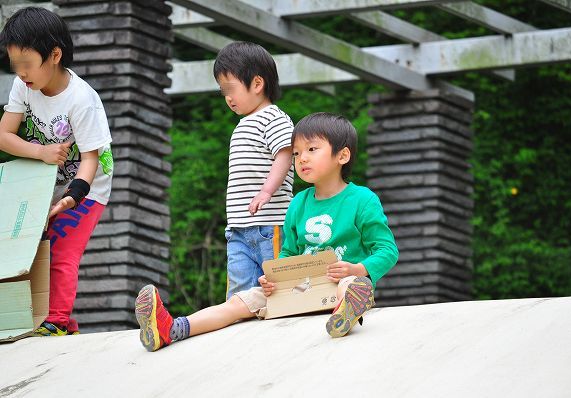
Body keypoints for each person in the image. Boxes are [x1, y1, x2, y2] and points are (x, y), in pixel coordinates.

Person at [135, 112, 399, 351]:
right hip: (298, 291)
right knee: (241, 301)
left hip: (338, 284)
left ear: (342, 155)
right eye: (296, 153)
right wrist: (275, 276)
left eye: (312, 149)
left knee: (351, 285)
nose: (301, 158)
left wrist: (357, 269)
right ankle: (171, 329)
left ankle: (345, 313)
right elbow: (289, 251)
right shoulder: (299, 202)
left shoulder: (362, 199)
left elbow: (387, 250)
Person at [0, 7, 113, 336]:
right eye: (15, 65)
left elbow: (91, 160)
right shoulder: (25, 86)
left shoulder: (82, 101)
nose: (21, 73)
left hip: (86, 188)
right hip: (43, 178)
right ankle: (48, 320)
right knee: (29, 247)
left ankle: (57, 322)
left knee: (62, 247)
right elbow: (3, 135)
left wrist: (71, 198)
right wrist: (40, 152)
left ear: (54, 55)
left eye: (26, 64)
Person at [213, 42, 295, 298]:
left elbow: (285, 154)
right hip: (238, 228)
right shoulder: (244, 124)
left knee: (279, 290)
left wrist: (266, 192)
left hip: (270, 225)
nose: (227, 97)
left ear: (257, 84)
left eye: (230, 89)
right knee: (240, 294)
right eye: (222, 90)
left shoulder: (273, 117)